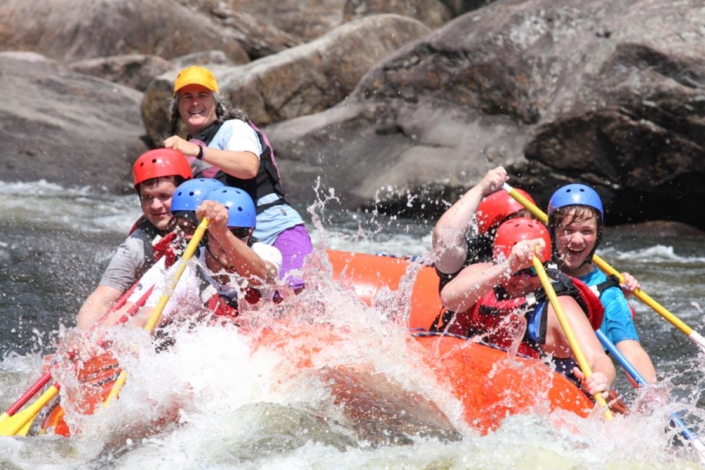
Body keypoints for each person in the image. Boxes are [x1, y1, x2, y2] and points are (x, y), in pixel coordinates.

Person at [162, 65, 312, 292]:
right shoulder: (186, 148)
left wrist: (197, 152)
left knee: (292, 294)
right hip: (228, 241)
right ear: (177, 106)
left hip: (274, 229)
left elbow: (248, 166)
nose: (195, 103)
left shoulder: (233, 128)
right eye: (187, 97)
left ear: (215, 102)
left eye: (202, 95)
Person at [440, 217, 616, 398]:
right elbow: (449, 299)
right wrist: (510, 265)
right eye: (516, 272)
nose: (522, 281)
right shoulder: (482, 274)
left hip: (542, 397)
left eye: (532, 271)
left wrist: (602, 379)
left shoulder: (559, 308)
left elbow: (598, 359)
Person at [103, 184, 282, 330]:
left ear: (250, 232)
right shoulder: (185, 270)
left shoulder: (266, 253)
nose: (227, 245)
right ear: (205, 235)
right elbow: (145, 319)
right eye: (217, 235)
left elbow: (261, 277)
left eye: (240, 233)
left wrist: (222, 233)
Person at [547, 184, 656, 385]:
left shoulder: (609, 292)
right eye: (568, 230)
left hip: (580, 382)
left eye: (586, 231)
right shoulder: (533, 272)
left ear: (598, 235)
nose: (577, 240)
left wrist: (651, 393)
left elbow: (632, 351)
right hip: (532, 370)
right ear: (552, 232)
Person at [76, 149, 193, 330]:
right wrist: (82, 336)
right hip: (156, 323)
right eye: (147, 197)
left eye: (164, 196)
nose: (155, 206)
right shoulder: (137, 244)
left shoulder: (211, 226)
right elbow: (102, 299)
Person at [432, 166, 535, 300]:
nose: (523, 234)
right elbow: (444, 237)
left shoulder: (543, 251)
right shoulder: (473, 255)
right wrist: (480, 189)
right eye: (514, 225)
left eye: (530, 224)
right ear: (492, 231)